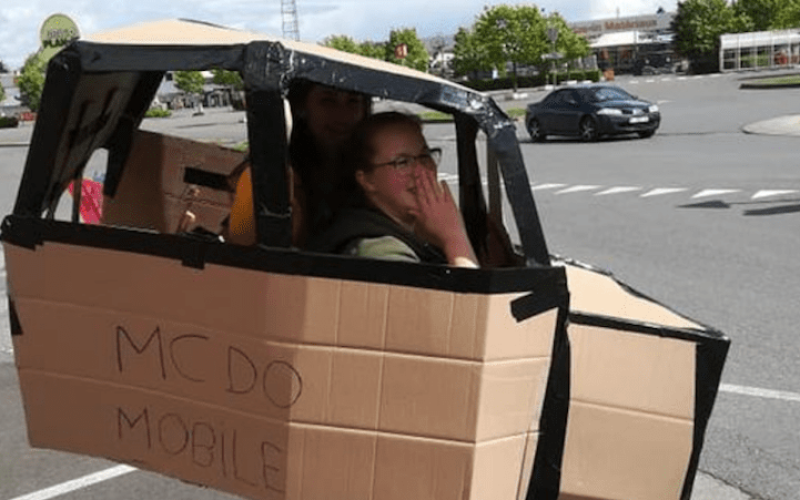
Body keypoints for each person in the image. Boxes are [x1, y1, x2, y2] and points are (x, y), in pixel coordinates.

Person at [308, 112, 479, 268]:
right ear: (367, 180)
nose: (421, 171)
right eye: (402, 162)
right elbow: (470, 301)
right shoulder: (380, 252)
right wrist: (454, 238)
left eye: (425, 156)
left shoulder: (419, 233)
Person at [227, 81, 370, 246]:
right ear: (302, 107)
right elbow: (242, 244)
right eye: (328, 101)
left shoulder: (376, 163)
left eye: (353, 102)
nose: (343, 115)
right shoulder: (271, 172)